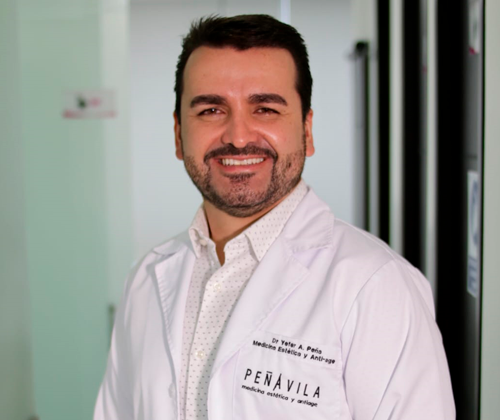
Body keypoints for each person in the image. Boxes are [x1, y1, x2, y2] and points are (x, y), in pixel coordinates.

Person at [94, 14, 455, 420]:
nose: (238, 136)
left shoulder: (376, 286)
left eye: (265, 109)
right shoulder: (145, 280)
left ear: (307, 130)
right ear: (179, 135)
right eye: (211, 110)